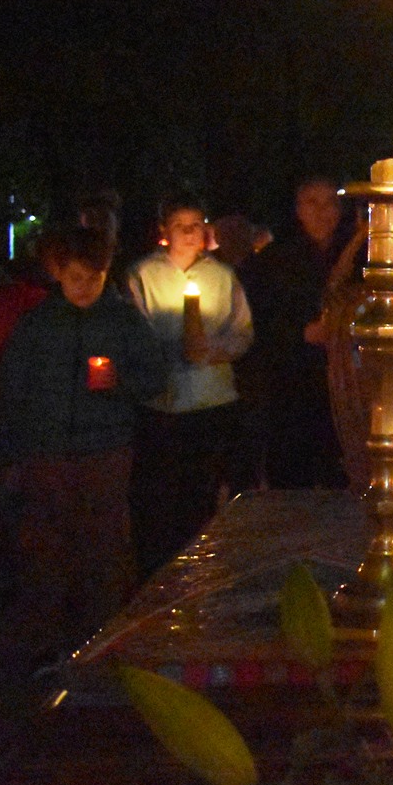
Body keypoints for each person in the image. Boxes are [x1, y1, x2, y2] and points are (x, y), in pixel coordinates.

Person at [0, 228, 167, 663]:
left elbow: (154, 378)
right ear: (58, 273)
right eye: (75, 278)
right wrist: (12, 454)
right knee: (46, 547)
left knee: (103, 546)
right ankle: (45, 644)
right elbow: (13, 390)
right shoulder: (38, 324)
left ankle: (102, 642)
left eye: (95, 278)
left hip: (105, 448)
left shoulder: (124, 320)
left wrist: (119, 382)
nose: (85, 287)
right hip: (47, 450)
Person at [126, 197, 253, 576]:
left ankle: (204, 568)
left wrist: (211, 350)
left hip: (212, 401)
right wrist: (173, 350)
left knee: (203, 493)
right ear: (165, 231)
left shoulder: (222, 276)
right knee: (162, 498)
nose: (188, 232)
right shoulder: (143, 274)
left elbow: (242, 331)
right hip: (163, 404)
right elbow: (135, 332)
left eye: (195, 225)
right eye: (179, 225)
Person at [239, 179, 351, 489]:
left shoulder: (354, 255)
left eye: (330, 203)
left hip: (344, 382)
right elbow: (256, 321)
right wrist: (301, 333)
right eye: (313, 203)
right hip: (292, 386)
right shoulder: (272, 260)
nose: (322, 212)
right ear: (299, 210)